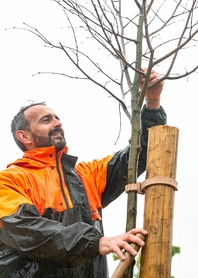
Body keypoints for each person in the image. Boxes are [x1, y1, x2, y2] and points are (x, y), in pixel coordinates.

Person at [0, 69, 167, 278]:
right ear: (24, 135)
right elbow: (26, 230)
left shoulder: (86, 176)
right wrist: (96, 242)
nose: (58, 123)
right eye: (46, 120)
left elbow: (138, 154)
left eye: (57, 118)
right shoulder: (8, 181)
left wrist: (153, 103)